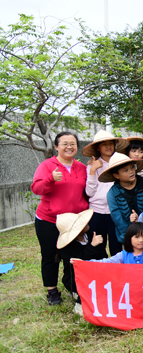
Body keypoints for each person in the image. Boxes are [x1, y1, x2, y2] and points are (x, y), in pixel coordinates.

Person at [32, 131, 89, 306]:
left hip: (73, 221)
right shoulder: (47, 165)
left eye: (72, 143)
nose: (69, 147)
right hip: (49, 219)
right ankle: (52, 291)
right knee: (50, 255)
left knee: (72, 256)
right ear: (56, 146)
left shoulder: (82, 167)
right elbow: (36, 188)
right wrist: (50, 179)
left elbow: (87, 192)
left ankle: (72, 287)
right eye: (65, 143)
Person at [82, 131, 129, 258]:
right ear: (98, 147)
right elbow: (89, 192)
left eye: (111, 143)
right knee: (98, 247)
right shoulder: (92, 166)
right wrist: (93, 170)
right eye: (104, 144)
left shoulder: (121, 163)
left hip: (116, 211)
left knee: (116, 246)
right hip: (96, 212)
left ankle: (117, 270)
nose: (108, 146)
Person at [55, 209, 103, 315]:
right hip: (75, 278)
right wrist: (92, 246)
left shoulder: (91, 234)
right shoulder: (67, 248)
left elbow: (102, 256)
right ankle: (79, 304)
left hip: (96, 272)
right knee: (87, 286)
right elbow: (80, 263)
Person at [102, 152, 143, 246]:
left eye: (132, 167)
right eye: (125, 170)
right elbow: (117, 218)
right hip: (127, 235)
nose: (131, 171)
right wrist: (128, 237)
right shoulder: (112, 193)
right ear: (116, 175)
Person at [75, 222, 143, 265]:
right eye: (137, 237)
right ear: (129, 238)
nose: (141, 240)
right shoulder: (124, 255)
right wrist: (84, 263)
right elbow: (106, 262)